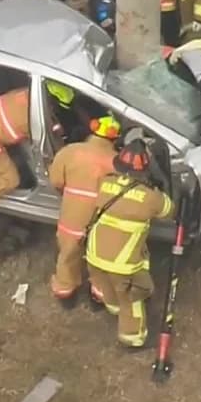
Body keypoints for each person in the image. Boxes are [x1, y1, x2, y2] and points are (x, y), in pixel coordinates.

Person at [84, 140, 174, 348]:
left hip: (94, 255)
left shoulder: (104, 183)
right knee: (132, 297)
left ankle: (113, 307)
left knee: (108, 287)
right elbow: (170, 211)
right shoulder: (152, 198)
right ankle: (133, 339)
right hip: (122, 265)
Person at [0, 82, 74, 212]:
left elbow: (50, 123)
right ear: (52, 100)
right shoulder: (29, 118)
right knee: (10, 180)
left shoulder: (31, 94)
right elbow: (47, 138)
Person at [47, 116, 121, 306]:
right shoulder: (118, 163)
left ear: (92, 131)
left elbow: (56, 181)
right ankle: (98, 296)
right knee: (100, 262)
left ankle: (66, 294)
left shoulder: (69, 152)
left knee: (68, 255)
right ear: (115, 139)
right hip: (101, 224)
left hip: (72, 219)